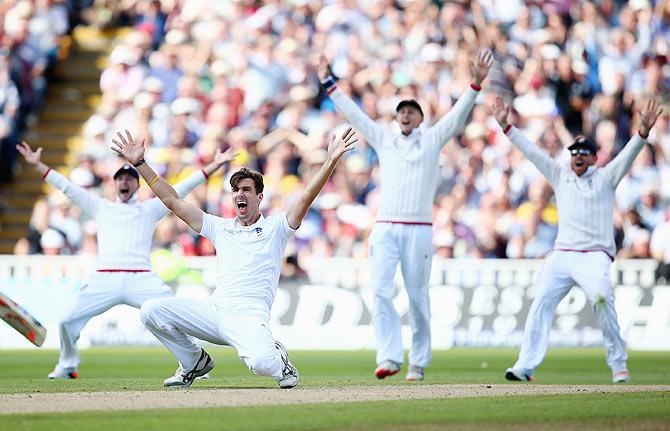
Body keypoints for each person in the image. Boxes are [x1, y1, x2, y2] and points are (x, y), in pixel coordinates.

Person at [111, 127, 358, 388]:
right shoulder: (220, 227)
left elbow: (307, 196)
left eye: (246, 190)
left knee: (263, 364)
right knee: (151, 311)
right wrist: (140, 164)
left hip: (250, 318)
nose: (240, 194)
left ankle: (280, 362)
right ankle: (193, 361)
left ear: (259, 196)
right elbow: (172, 200)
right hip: (214, 313)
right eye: (236, 190)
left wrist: (331, 161)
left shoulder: (277, 228)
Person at [315, 50, 493, 381]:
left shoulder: (432, 139)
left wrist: (475, 84)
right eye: (402, 111)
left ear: (420, 118)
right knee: (381, 290)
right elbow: (355, 115)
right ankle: (389, 357)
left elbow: (457, 117)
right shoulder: (385, 138)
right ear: (396, 117)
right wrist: (328, 82)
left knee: (417, 294)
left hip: (419, 229)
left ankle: (419, 362)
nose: (406, 115)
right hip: (385, 227)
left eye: (412, 111)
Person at [16, 140, 233, 379]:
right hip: (104, 278)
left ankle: (193, 362)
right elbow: (68, 188)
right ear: (114, 184)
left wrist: (215, 165)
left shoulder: (149, 209)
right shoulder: (101, 207)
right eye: (120, 178)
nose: (124, 182)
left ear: (137, 186)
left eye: (130, 179)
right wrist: (38, 166)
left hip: (141, 278)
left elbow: (180, 189)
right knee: (67, 319)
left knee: (175, 314)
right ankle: (67, 365)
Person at [492, 96, 663, 383]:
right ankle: (525, 365)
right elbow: (533, 153)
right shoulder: (561, 176)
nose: (578, 157)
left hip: (595, 255)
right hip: (562, 255)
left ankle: (619, 364)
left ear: (595, 158)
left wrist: (643, 132)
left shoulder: (607, 177)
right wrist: (507, 128)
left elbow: (629, 154)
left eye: (584, 153)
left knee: (601, 299)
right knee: (541, 302)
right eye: (574, 153)